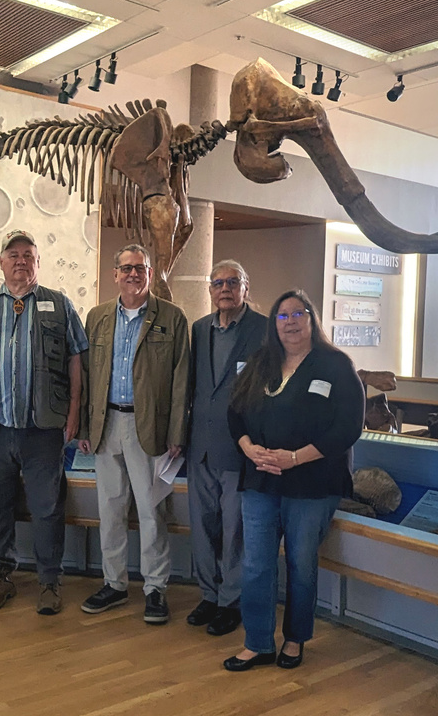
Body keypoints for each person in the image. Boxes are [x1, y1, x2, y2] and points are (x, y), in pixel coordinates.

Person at [223, 289, 364, 671]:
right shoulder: (261, 361)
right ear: (273, 324)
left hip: (313, 484)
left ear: (312, 319)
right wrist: (249, 447)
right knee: (256, 564)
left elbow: (348, 427)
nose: (291, 322)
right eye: (282, 316)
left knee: (301, 563)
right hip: (261, 480)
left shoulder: (336, 365)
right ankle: (257, 642)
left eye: (298, 314)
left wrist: (296, 458)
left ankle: (295, 638)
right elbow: (234, 413)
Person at [0, 229, 88, 615]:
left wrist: (74, 409)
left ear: (37, 263)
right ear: (1, 262)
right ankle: (0, 577)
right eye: (13, 254)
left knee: (47, 507)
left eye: (28, 254)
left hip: (43, 429)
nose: (20, 261)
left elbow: (77, 357)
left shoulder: (59, 305)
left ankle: (49, 581)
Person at [78, 245, 189, 624]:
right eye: (125, 268)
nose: (132, 274)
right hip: (106, 426)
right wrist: (83, 428)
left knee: (151, 511)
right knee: (109, 510)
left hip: (150, 429)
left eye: (139, 268)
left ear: (151, 272)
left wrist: (176, 432)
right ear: (115, 274)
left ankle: (155, 588)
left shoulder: (172, 318)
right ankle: (114, 583)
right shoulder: (97, 318)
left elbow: (180, 381)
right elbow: (88, 375)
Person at [186, 260, 267, 636]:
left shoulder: (264, 330)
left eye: (232, 281)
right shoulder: (199, 330)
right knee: (203, 527)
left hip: (240, 448)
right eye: (217, 283)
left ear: (245, 286)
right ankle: (208, 594)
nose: (225, 288)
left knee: (234, 530)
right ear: (210, 290)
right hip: (199, 446)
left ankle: (230, 600)